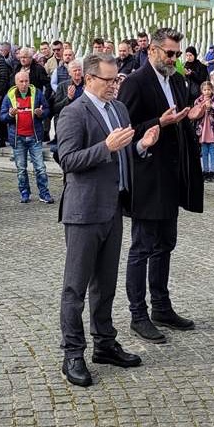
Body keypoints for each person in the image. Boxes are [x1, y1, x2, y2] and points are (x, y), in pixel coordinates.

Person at [56, 53, 158, 388]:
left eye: (117, 80)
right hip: (83, 212)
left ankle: (104, 343)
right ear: (89, 79)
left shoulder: (119, 109)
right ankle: (73, 353)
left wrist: (141, 145)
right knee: (76, 287)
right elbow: (68, 160)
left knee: (106, 284)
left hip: (113, 208)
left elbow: (123, 154)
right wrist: (105, 146)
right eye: (109, 80)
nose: (115, 86)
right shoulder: (73, 113)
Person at [117, 27, 204, 344]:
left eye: (178, 54)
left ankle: (161, 307)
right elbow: (123, 129)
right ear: (152, 50)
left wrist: (188, 117)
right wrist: (158, 123)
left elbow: (176, 119)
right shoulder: (137, 82)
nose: (174, 59)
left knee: (166, 243)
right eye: (170, 53)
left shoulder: (178, 79)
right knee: (142, 247)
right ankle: (138, 314)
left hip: (172, 176)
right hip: (147, 177)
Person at [0, 69, 54, 204]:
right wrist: (10, 115)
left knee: (40, 167)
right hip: (18, 138)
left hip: (34, 137)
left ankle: (44, 193)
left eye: (26, 81)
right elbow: (2, 116)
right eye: (21, 81)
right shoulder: (10, 96)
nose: (24, 84)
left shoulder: (37, 93)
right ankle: (24, 193)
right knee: (21, 168)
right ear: (16, 82)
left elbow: (47, 110)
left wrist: (41, 113)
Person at [193, 80, 214, 182]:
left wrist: (211, 108)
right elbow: (195, 115)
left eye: (209, 89)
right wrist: (202, 108)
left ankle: (212, 172)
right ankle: (205, 171)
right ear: (201, 90)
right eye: (205, 89)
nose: (207, 92)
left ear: (212, 90)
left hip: (212, 129)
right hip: (202, 130)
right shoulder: (198, 101)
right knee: (204, 152)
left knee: (213, 152)